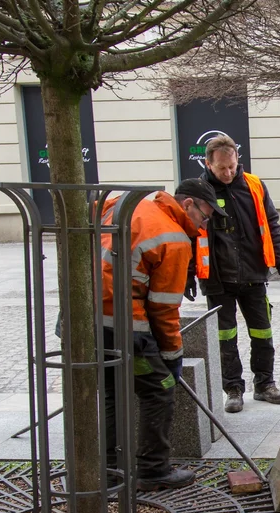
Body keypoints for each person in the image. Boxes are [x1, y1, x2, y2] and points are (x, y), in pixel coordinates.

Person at [102, 178, 226, 491]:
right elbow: (163, 311)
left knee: (112, 392)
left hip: (83, 322)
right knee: (160, 387)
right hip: (126, 329)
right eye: (205, 216)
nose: (204, 224)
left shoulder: (129, 205)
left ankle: (108, 470)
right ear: (187, 205)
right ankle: (153, 470)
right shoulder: (174, 238)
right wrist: (173, 358)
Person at [192, 133, 280, 413]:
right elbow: (188, 235)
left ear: (238, 159)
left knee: (262, 333)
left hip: (253, 274)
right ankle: (233, 389)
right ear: (208, 163)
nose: (228, 173)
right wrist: (188, 274)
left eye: (232, 166)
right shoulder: (198, 191)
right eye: (221, 168)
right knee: (225, 337)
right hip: (217, 279)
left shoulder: (254, 185)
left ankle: (265, 385)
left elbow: (270, 224)